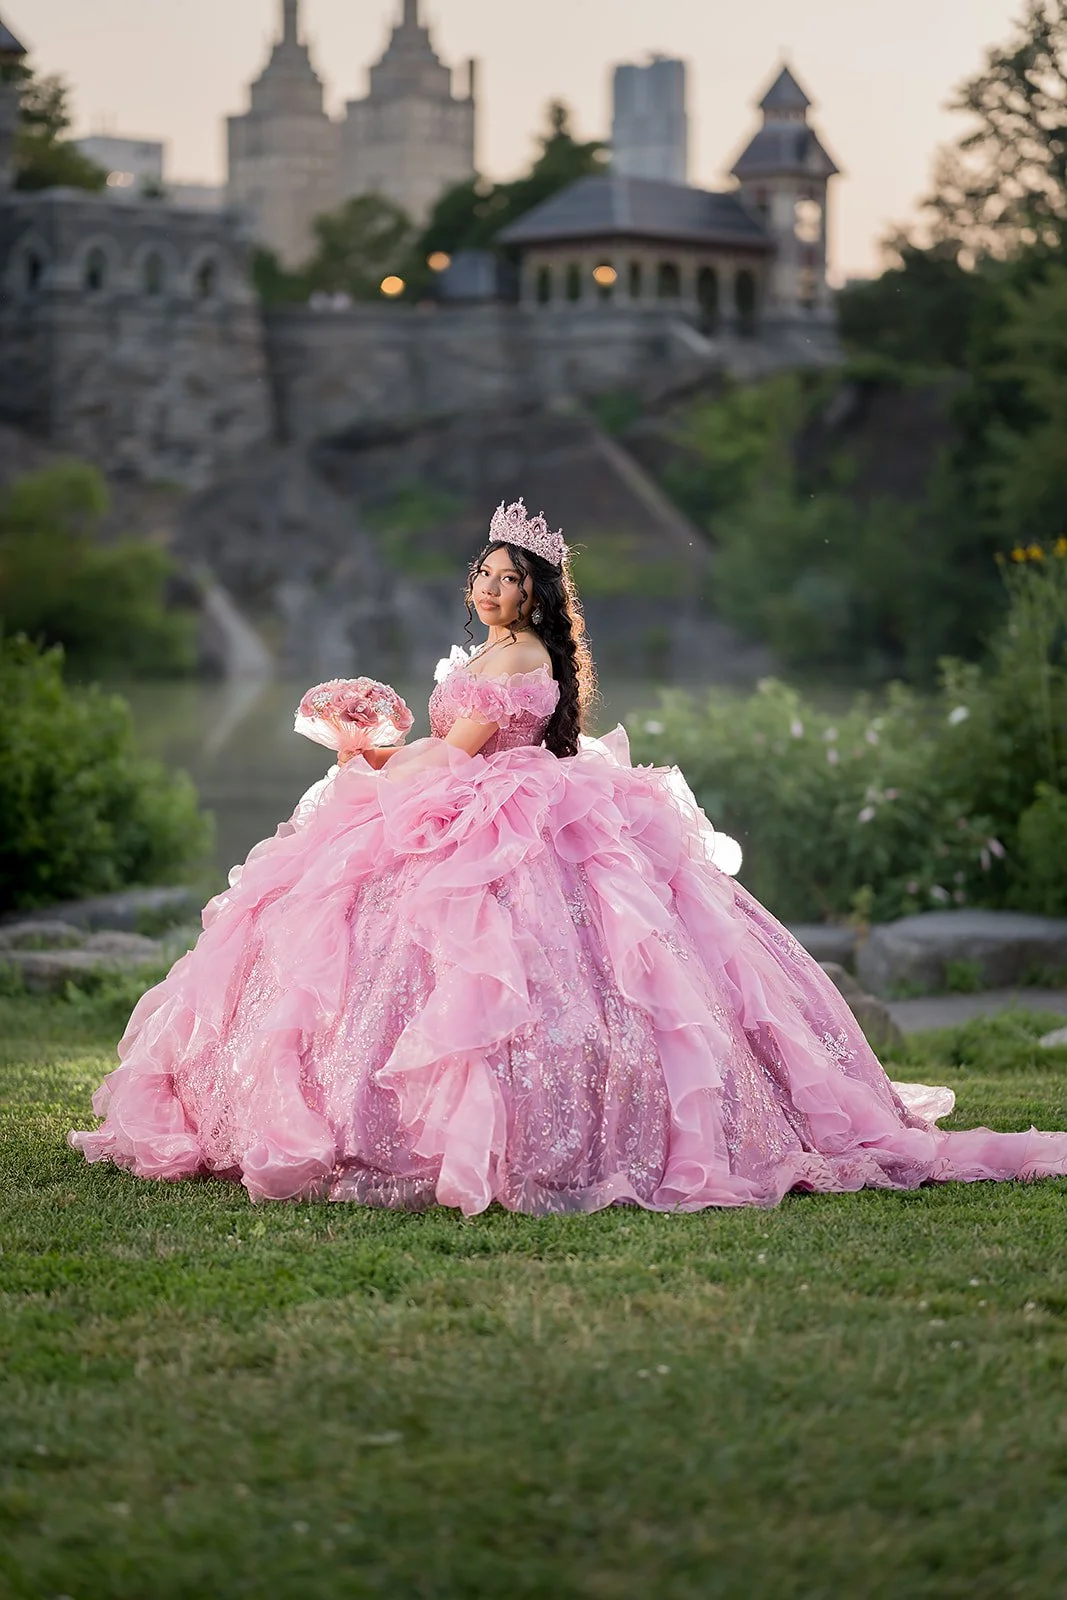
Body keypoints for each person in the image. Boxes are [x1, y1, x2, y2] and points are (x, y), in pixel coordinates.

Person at [70, 500, 1067, 1213]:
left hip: (496, 803)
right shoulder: (513, 658)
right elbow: (454, 744)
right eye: (486, 575)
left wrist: (364, 756)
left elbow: (448, 752)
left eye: (510, 578)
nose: (493, 588)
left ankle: (463, 1129)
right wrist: (380, 751)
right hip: (505, 788)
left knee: (488, 950)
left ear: (535, 592)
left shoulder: (513, 659)